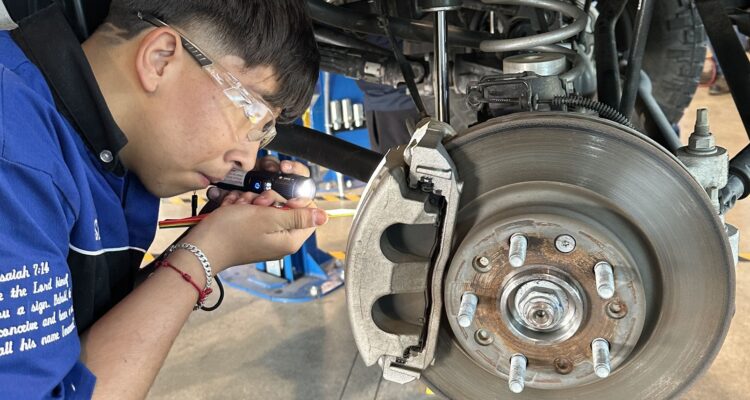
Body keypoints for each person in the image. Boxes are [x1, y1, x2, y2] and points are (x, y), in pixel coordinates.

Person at [0, 1, 325, 398]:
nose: (247, 158)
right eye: (250, 113)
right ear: (160, 58)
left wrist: (208, 232)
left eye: (263, 135)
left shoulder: (119, 153)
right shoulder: (12, 148)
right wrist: (206, 253)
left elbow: (78, 330)